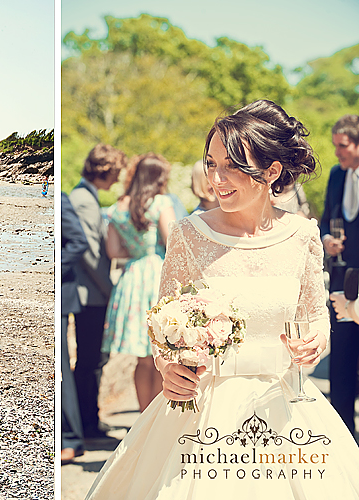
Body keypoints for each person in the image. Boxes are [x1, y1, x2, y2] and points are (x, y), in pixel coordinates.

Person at [87, 99, 359, 497]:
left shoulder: (303, 235)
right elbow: (163, 324)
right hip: (201, 411)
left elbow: (316, 318)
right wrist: (167, 365)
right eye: (212, 164)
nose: (217, 178)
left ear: (271, 171)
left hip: (285, 407)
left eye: (232, 166)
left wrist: (316, 341)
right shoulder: (188, 234)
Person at [102, 153, 175, 412]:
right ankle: (159, 415)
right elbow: (172, 242)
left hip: (132, 277)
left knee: (142, 359)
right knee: (162, 353)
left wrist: (135, 252)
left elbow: (113, 252)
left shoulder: (117, 208)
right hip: (156, 273)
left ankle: (145, 414)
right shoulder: (160, 203)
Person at [69, 143, 125, 439]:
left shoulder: (86, 197)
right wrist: (110, 288)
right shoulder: (84, 201)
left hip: (90, 291)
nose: (117, 179)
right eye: (115, 172)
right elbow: (90, 254)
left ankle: (89, 419)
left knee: (92, 360)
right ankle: (87, 423)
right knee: (90, 361)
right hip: (89, 293)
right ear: (105, 170)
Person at [321, 113, 359, 436]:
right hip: (340, 281)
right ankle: (342, 433)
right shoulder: (335, 175)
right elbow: (324, 220)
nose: (337, 153)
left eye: (342, 146)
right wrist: (326, 241)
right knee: (342, 354)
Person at [61, 193, 89, 464]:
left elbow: (79, 242)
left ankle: (71, 439)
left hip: (62, 293)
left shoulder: (61, 198)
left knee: (62, 370)